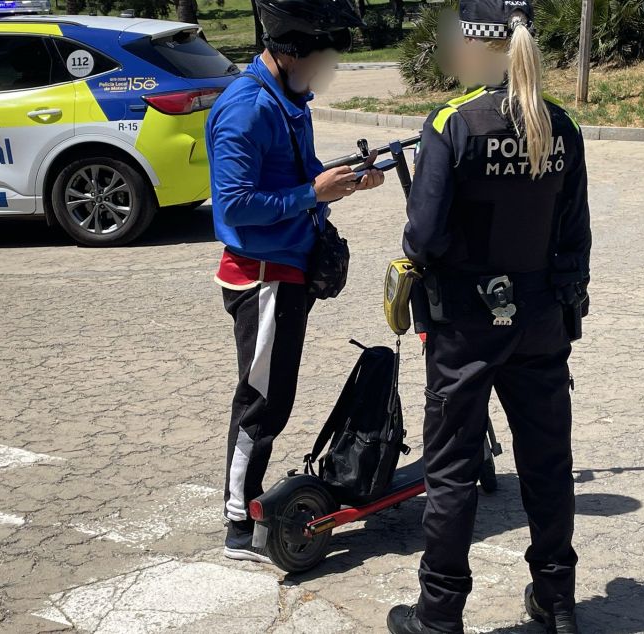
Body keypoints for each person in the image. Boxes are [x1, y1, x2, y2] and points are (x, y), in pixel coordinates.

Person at [386, 0, 591, 631]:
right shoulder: (561, 125)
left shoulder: (452, 122)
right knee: (547, 462)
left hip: (465, 323)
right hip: (541, 317)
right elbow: (574, 234)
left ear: (475, 46)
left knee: (452, 468)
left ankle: (439, 614)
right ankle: (557, 601)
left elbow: (423, 236)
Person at [207, 0, 384, 563]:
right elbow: (234, 205)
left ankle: (246, 505)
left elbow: (294, 174)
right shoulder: (247, 109)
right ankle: (239, 525)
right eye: (319, 61)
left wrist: (342, 180)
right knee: (262, 403)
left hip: (288, 273)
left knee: (273, 397)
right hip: (262, 279)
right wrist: (313, 193)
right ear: (288, 51)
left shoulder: (288, 100)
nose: (323, 74)